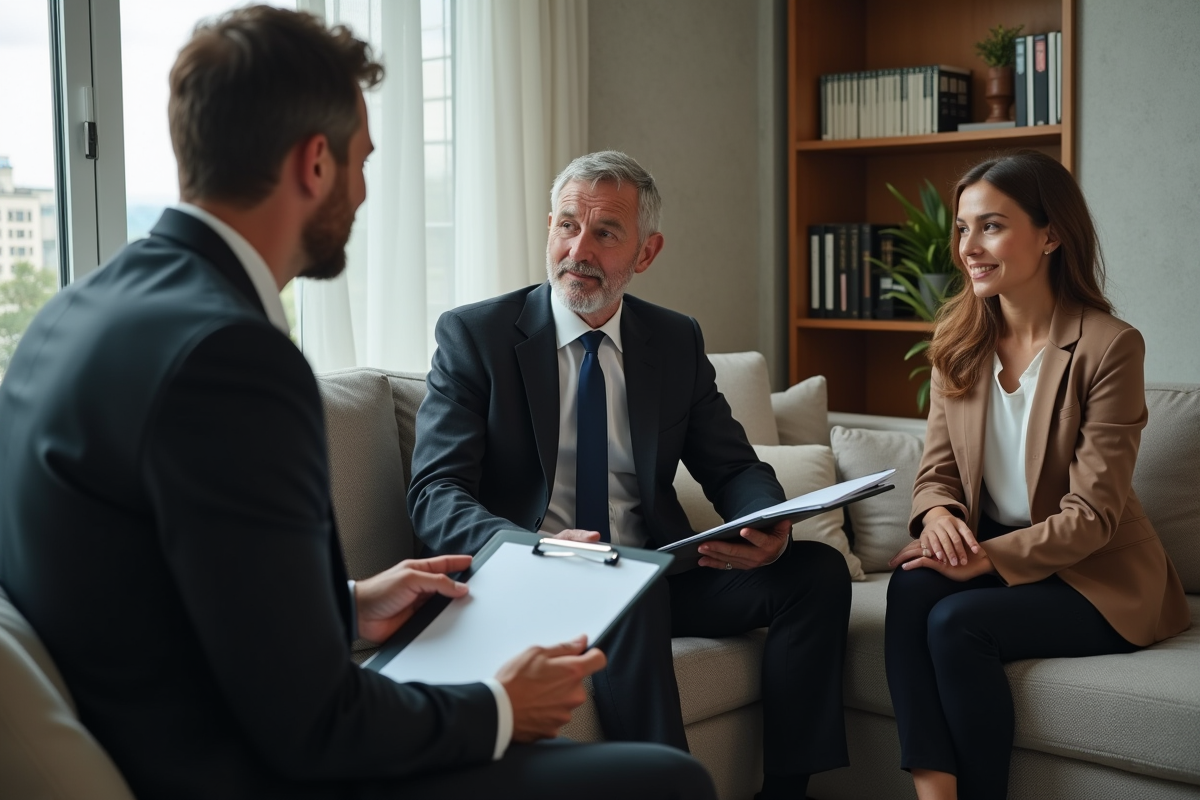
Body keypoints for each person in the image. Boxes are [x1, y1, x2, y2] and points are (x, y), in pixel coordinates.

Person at [0, 8, 716, 800]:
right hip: (240, 770)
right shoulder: (233, 358)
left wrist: (344, 607)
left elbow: (153, 592)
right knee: (667, 781)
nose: (366, 188)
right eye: (363, 159)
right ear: (316, 162)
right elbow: (317, 725)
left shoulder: (75, 310)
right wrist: (498, 709)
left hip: (173, 728)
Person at [408, 149, 852, 800]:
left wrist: (769, 523)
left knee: (814, 574)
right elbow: (436, 495)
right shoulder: (477, 336)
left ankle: (787, 791)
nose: (577, 248)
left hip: (651, 567)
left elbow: (732, 465)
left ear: (646, 253)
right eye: (566, 225)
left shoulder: (672, 341)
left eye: (605, 233)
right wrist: (538, 548)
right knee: (626, 581)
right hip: (529, 575)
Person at [883, 150, 1191, 800]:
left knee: (955, 623)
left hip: (1094, 575)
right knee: (909, 590)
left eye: (991, 225)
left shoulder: (1109, 346)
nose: (969, 246)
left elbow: (1092, 518)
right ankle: (935, 794)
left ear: (1051, 234)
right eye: (963, 228)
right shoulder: (957, 341)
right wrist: (938, 516)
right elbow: (936, 470)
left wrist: (980, 559)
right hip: (1000, 551)